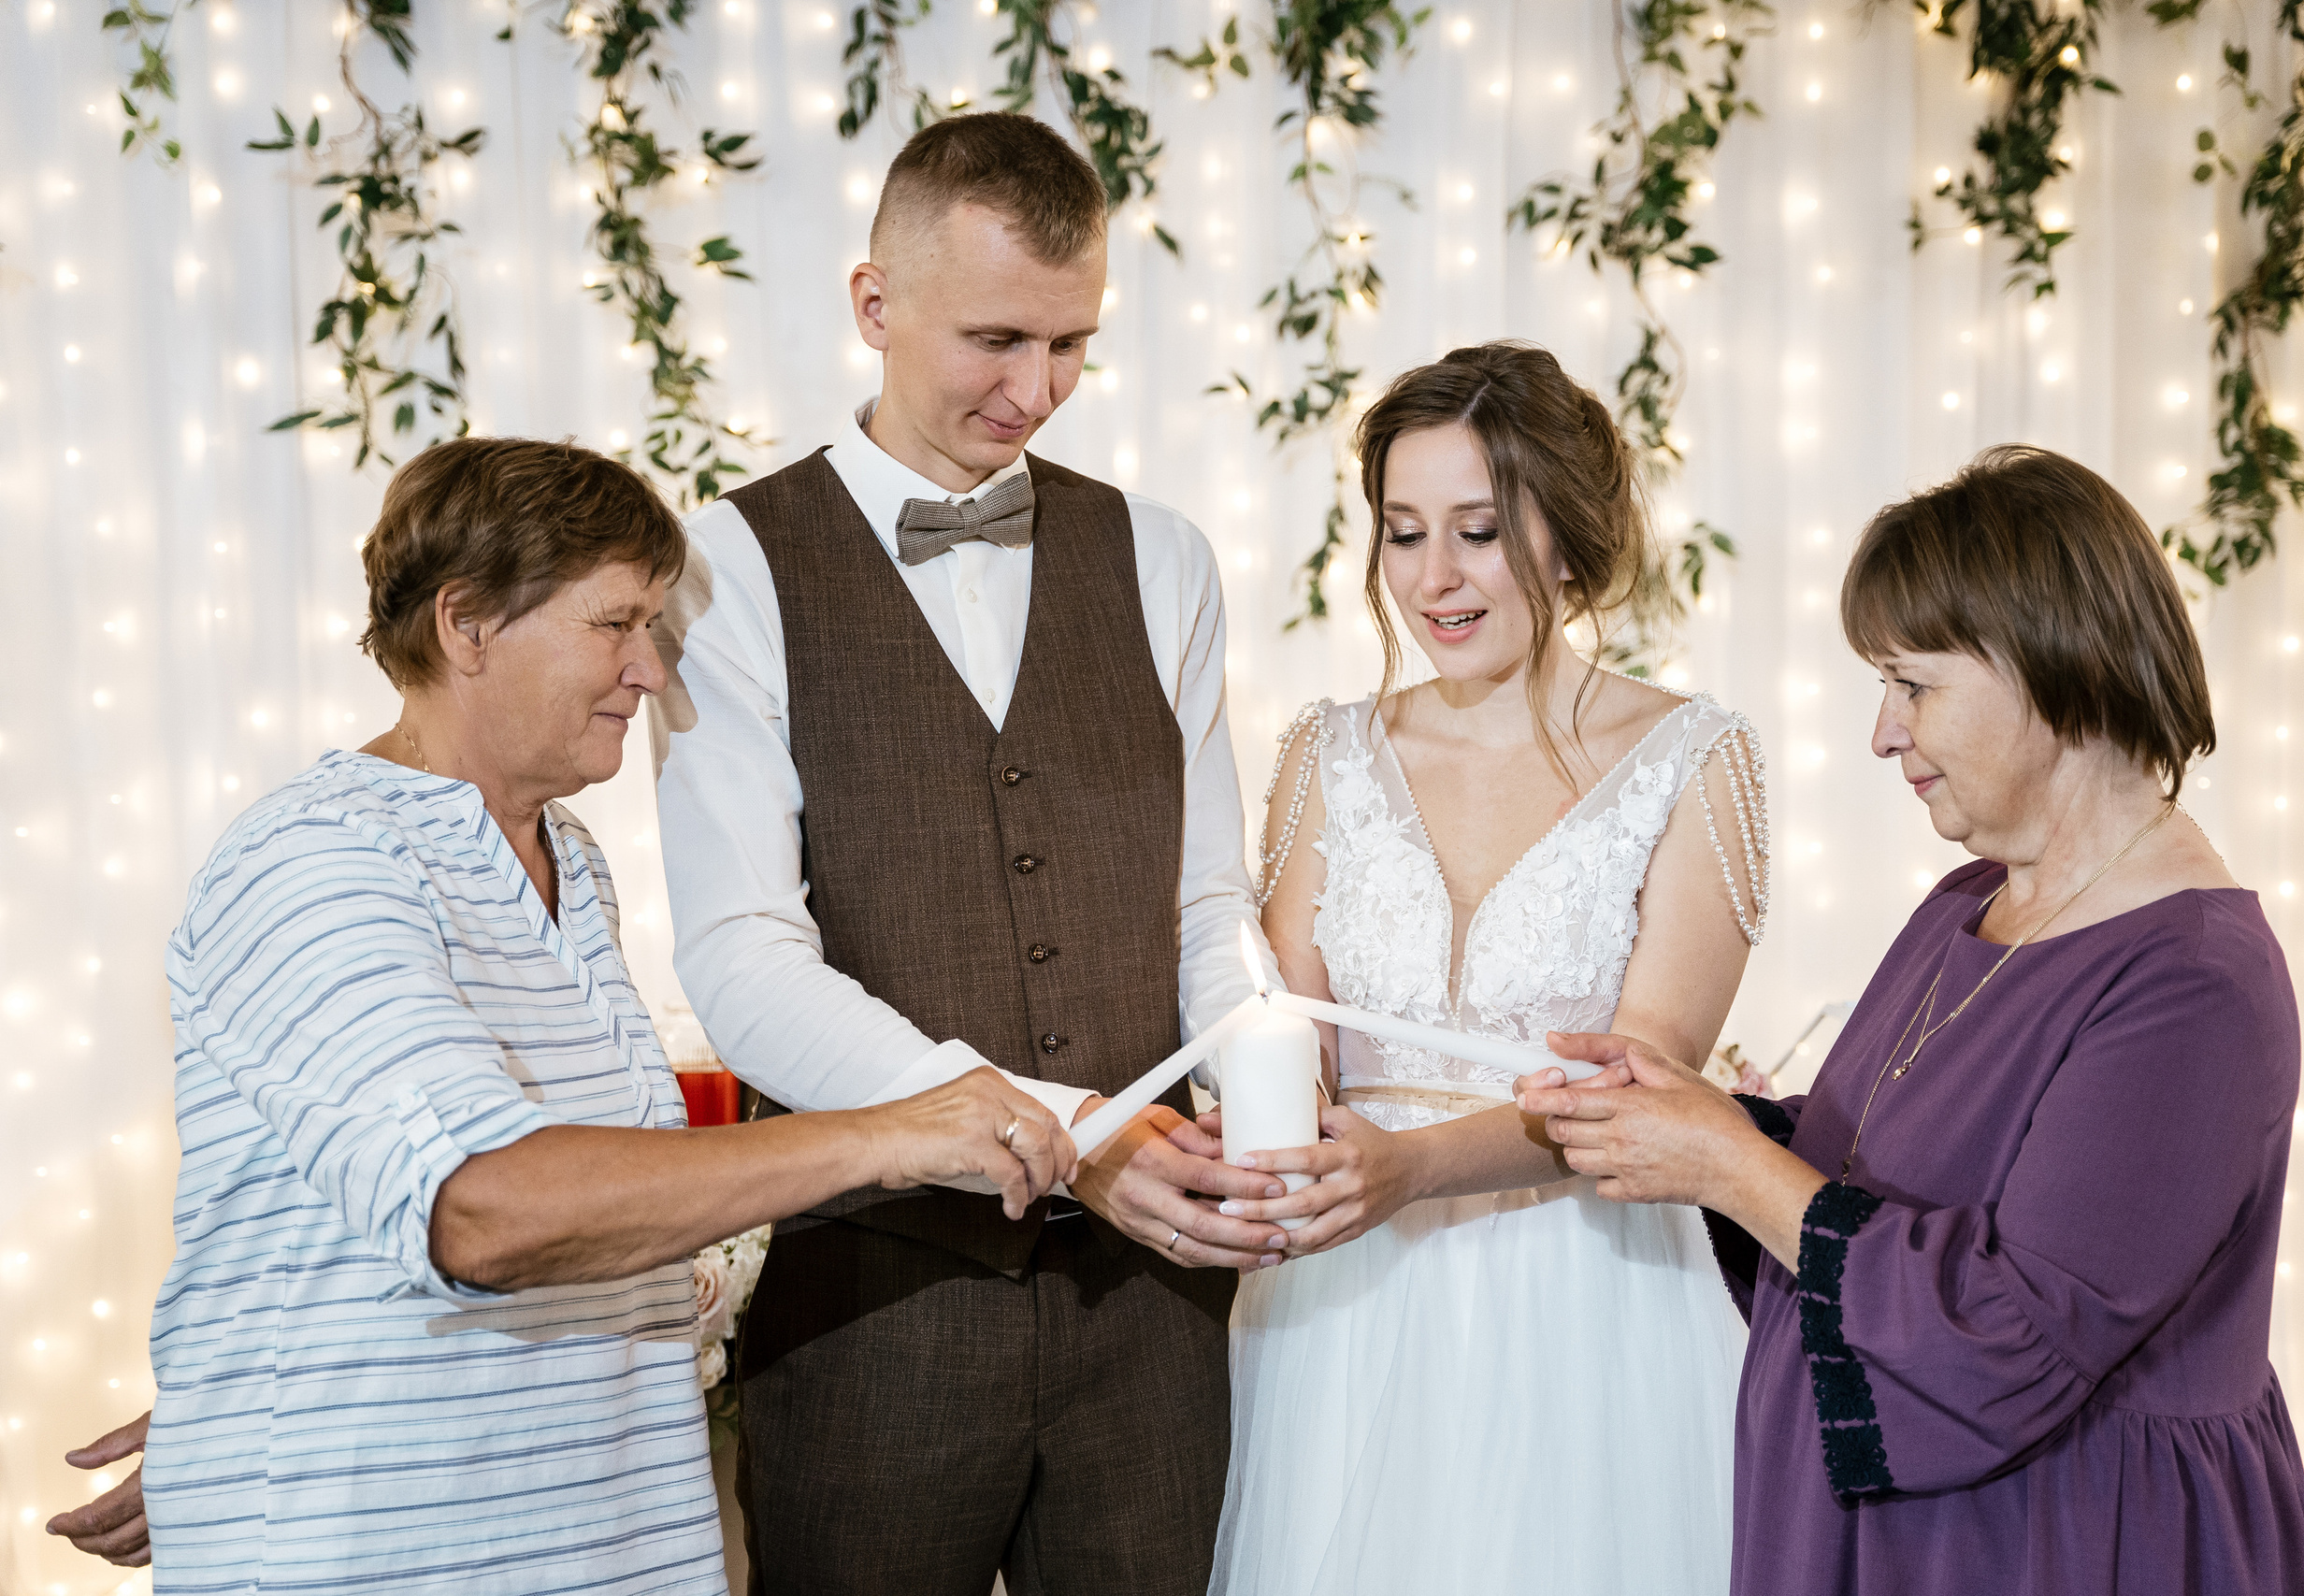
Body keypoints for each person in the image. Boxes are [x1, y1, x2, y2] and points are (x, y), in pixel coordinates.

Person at [43, 437, 1080, 1591]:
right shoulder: (318, 860)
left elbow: (500, 1213)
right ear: (466, 625)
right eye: (615, 624)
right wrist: (887, 1134)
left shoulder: (568, 859)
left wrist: (252, 1383)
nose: (652, 670)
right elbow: (481, 1210)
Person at [649, 112, 1287, 1596]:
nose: (1037, 391)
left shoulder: (1166, 558)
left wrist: (1258, 1116)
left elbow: (1203, 900)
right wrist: (1075, 1130)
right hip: (873, 1299)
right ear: (875, 303)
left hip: (1155, 1308)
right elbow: (744, 962)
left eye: (1072, 345)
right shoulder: (723, 567)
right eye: (996, 339)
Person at [1521, 445, 2304, 1595]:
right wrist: (1709, 1120)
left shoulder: (2193, 986)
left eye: (1913, 684)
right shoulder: (1969, 899)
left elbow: (2013, 1332)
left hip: (2057, 1541)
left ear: (2048, 662)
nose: (1882, 733)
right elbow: (1891, 1161)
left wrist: (1730, 1167)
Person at [1205, 343, 1768, 1594]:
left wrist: (1413, 1166)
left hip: (1589, 1293)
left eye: (1477, 532)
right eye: (1404, 533)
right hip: (1344, 1300)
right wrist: (1255, 1139)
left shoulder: (1693, 758)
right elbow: (1289, 1034)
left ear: (1566, 537)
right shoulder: (1325, 753)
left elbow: (1643, 1086)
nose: (1434, 579)